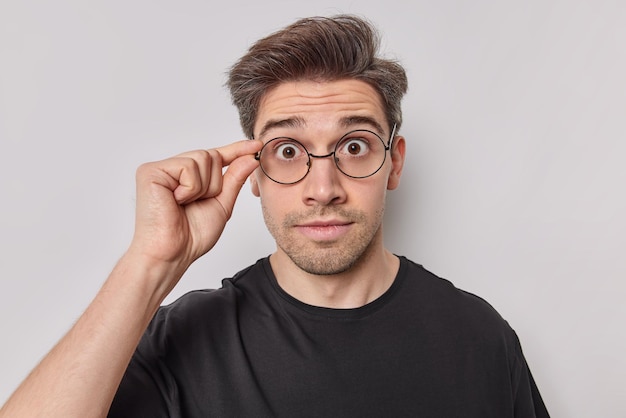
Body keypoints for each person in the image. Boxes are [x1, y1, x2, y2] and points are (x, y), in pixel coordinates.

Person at [0, 14, 549, 417]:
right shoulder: (183, 339)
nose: (323, 188)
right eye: (288, 151)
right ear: (254, 171)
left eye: (354, 146)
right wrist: (150, 263)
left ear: (394, 162)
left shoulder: (479, 336)